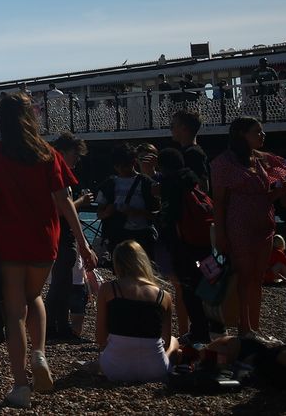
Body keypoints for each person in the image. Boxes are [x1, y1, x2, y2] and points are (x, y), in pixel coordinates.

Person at [0, 92, 96, 409]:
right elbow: (64, 201)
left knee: (14, 311)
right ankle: (39, 354)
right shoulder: (49, 154)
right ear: (32, 119)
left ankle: (20, 384)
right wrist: (83, 244)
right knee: (35, 297)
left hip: (9, 239)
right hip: (45, 239)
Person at [210, 116, 286, 338]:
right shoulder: (223, 163)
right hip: (239, 226)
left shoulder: (262, 160)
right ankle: (244, 327)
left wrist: (280, 193)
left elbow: (265, 196)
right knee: (244, 277)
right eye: (257, 132)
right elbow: (219, 201)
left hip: (264, 225)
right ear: (241, 135)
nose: (262, 135)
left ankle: (254, 326)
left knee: (257, 277)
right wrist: (222, 234)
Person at [94, 240, 176, 383]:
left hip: (114, 369)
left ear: (117, 263)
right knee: (174, 342)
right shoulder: (164, 296)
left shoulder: (108, 289)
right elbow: (166, 343)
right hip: (155, 370)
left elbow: (100, 338)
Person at [44, 132, 95, 342]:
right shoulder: (58, 176)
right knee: (60, 284)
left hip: (59, 235)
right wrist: (81, 201)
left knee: (61, 283)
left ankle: (57, 327)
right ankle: (55, 329)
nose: (77, 159)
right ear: (62, 152)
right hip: (61, 235)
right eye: (75, 154)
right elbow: (61, 209)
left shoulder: (53, 173)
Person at [154, 147, 207, 345]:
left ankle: (198, 331)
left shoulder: (170, 184)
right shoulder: (192, 180)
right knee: (201, 284)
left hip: (182, 243)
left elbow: (170, 216)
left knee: (187, 288)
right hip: (201, 241)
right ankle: (208, 326)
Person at [98, 143, 158, 254]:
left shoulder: (147, 183)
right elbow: (99, 213)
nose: (121, 169)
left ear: (133, 163)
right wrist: (107, 212)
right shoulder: (109, 184)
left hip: (142, 235)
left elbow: (157, 214)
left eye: (125, 165)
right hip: (118, 234)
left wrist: (138, 212)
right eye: (117, 166)